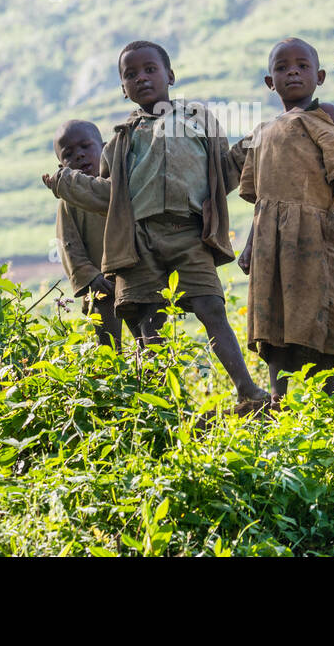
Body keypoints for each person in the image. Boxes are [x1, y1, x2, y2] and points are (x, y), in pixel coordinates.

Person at [41, 40, 269, 404]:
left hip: (189, 235)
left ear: (171, 75)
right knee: (149, 325)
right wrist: (67, 184)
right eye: (131, 74)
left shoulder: (199, 120)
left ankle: (248, 390)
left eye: (150, 70)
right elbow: (110, 196)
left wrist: (250, 147)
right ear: (123, 88)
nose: (142, 78)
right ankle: (163, 408)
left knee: (211, 307)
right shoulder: (119, 141)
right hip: (139, 243)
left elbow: (220, 173)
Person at [237, 38, 334, 402]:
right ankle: (280, 399)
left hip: (314, 236)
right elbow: (260, 198)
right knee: (273, 314)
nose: (293, 71)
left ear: (319, 76)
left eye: (302, 66)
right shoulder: (262, 133)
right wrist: (248, 244)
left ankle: (330, 399)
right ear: (269, 82)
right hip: (269, 242)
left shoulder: (322, 121)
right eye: (282, 67)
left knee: (324, 306)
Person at [52, 119, 146, 350]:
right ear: (61, 166)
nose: (80, 156)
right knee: (108, 346)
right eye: (69, 153)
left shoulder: (125, 184)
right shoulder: (69, 201)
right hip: (100, 286)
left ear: (105, 148)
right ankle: (111, 382)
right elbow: (68, 245)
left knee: (148, 340)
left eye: (85, 147)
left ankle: (154, 381)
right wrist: (92, 278)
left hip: (138, 279)